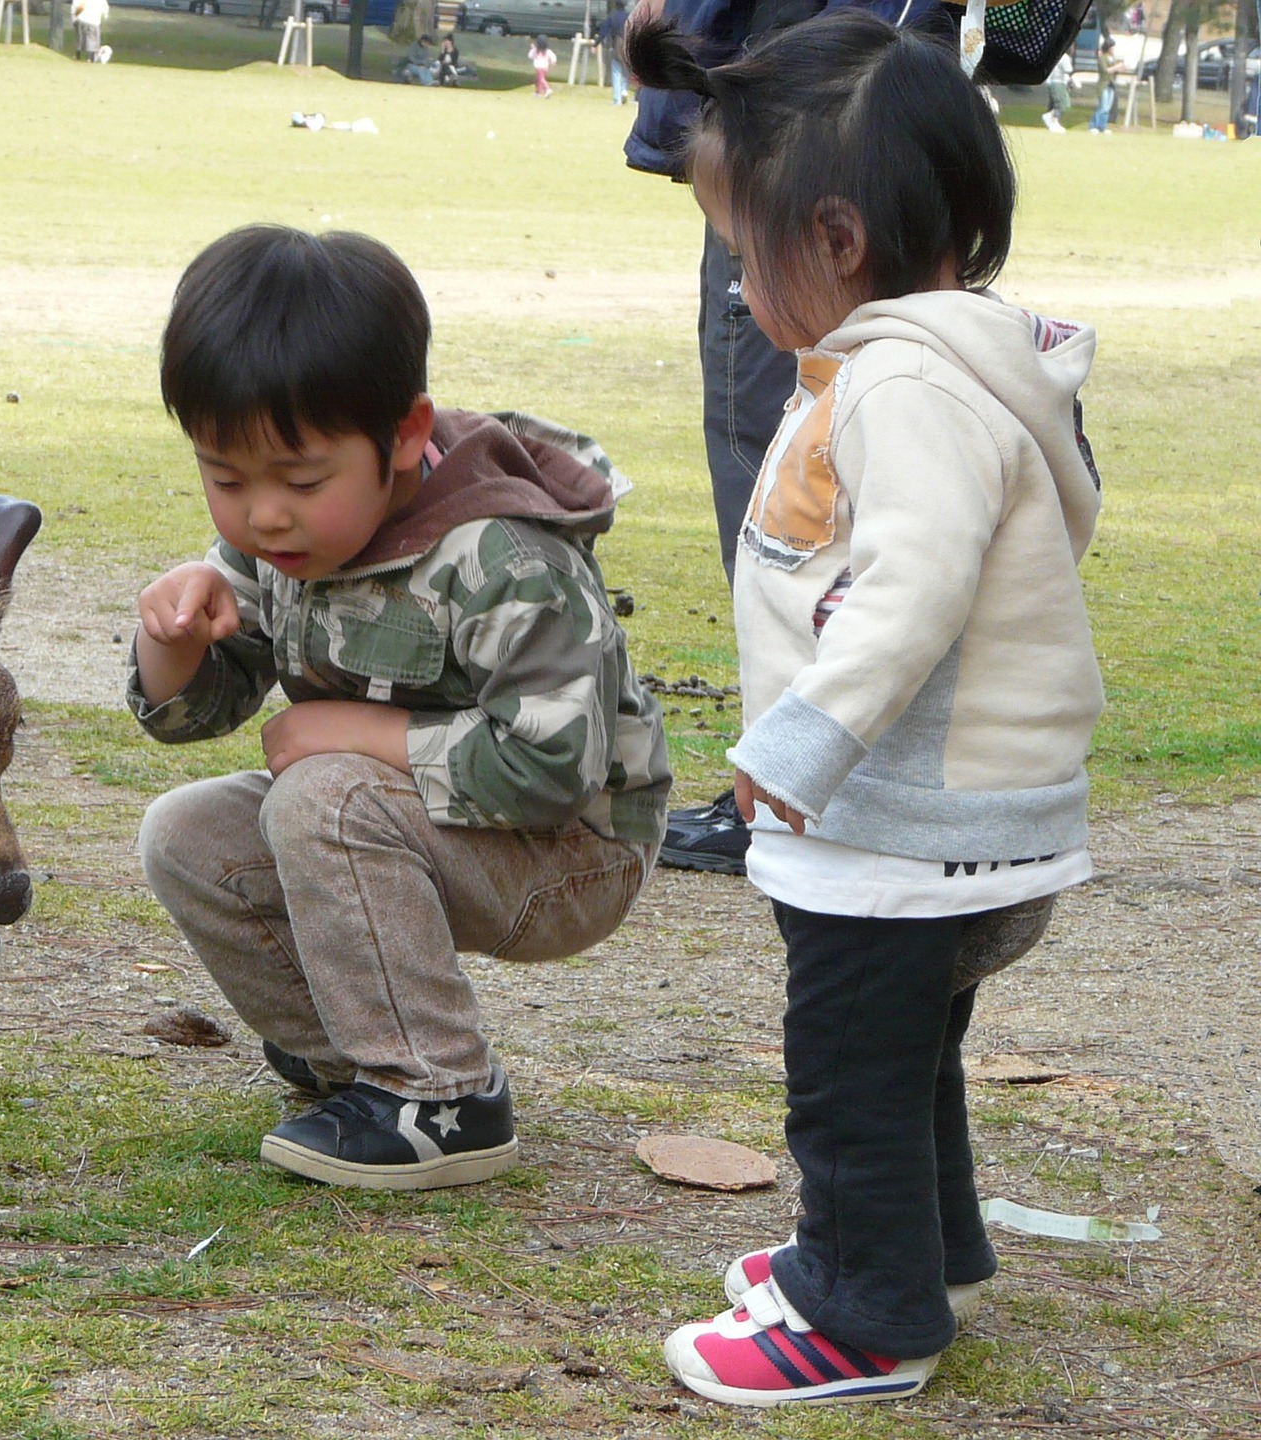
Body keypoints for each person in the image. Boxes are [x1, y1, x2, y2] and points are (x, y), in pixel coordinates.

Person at [625, 7, 1103, 1406]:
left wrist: (801, 743)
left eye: (739, 244)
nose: (735, 276)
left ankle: (863, 1316)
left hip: (903, 823)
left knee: (843, 1065)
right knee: (909, 1056)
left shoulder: (905, 383)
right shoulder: (937, 361)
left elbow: (916, 584)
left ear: (832, 240)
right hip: (951, 828)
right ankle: (923, 1254)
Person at [129, 225, 670, 1192]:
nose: (263, 517)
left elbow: (552, 771)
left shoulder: (505, 559)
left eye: (300, 481)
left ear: (407, 436)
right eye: (225, 478)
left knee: (323, 796)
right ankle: (348, 1059)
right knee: (186, 833)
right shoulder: (286, 542)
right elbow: (200, 709)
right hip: (409, 819)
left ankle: (443, 1096)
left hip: (569, 855)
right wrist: (173, 646)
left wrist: (355, 732)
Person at [597, 2, 633, 103]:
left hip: (616, 46)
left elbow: (603, 32)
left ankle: (617, 99)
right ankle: (624, 89)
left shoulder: (612, 16)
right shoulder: (630, 16)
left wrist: (596, 44)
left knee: (616, 71)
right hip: (628, 46)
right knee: (626, 70)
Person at [1089, 38, 1123, 131]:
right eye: (1112, 48)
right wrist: (1116, 67)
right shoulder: (1102, 58)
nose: (1113, 50)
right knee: (1102, 106)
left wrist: (1119, 68)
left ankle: (1102, 126)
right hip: (1103, 85)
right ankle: (1093, 125)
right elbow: (1105, 70)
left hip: (1111, 85)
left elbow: (1114, 71)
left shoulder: (1113, 59)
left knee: (1107, 108)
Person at [1043, 47, 1072, 130]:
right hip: (1059, 82)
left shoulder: (1055, 55)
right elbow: (1068, 69)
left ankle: (1051, 121)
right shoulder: (1065, 57)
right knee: (1060, 104)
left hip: (1051, 81)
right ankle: (1054, 121)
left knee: (1053, 103)